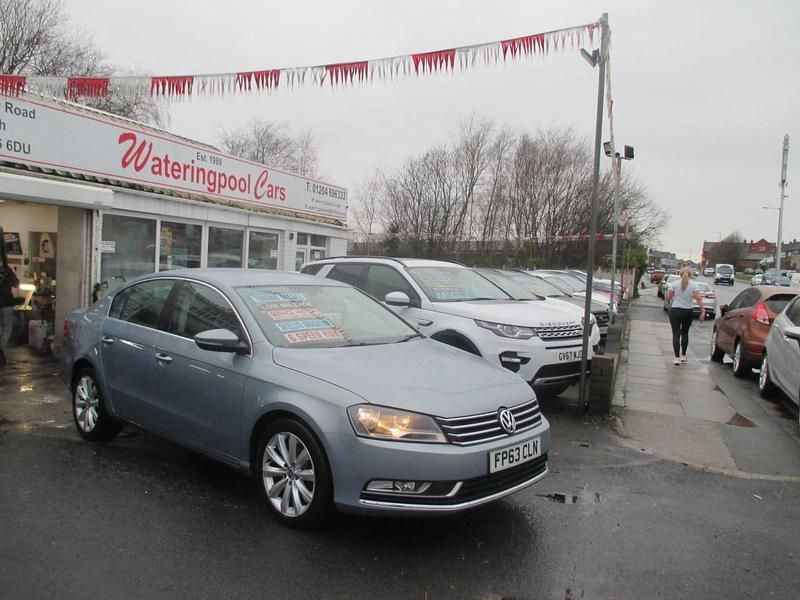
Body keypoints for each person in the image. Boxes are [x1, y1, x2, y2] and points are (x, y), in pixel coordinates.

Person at [667, 266, 704, 365]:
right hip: (688, 311)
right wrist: (702, 311)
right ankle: (683, 355)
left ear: (680, 274)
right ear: (690, 275)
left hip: (675, 310)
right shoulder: (694, 285)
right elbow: (698, 298)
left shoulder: (674, 284)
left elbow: (669, 297)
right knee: (685, 333)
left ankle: (676, 358)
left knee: (676, 334)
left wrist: (675, 296)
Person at [0, 226, 21, 366]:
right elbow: (17, 284)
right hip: (6, 303)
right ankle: (1, 350)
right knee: (7, 327)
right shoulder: (7, 270)